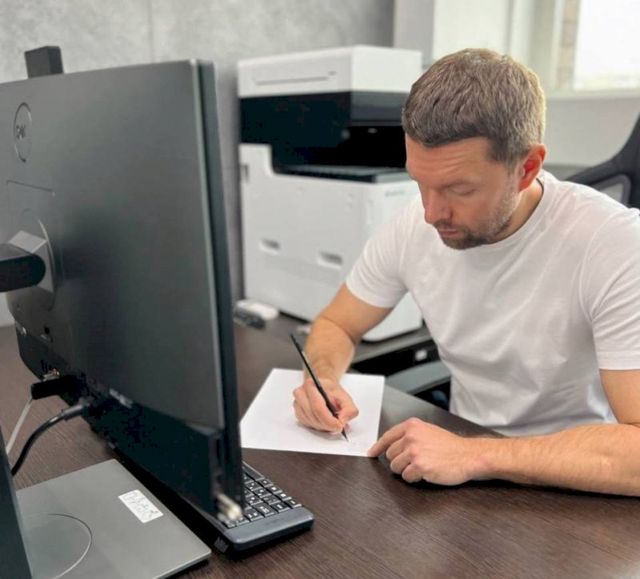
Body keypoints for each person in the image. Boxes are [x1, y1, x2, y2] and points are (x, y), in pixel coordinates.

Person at [292, 48, 640, 496]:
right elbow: (337, 324)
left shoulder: (612, 242)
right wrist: (321, 379)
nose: (431, 213)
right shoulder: (412, 226)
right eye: (420, 183)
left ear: (527, 168)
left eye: (459, 189)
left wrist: (477, 455)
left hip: (573, 483)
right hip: (456, 465)